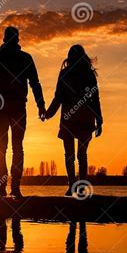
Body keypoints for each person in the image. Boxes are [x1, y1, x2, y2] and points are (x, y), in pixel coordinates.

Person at [0, 26, 46, 198]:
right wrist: (41, 105)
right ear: (17, 40)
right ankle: (13, 187)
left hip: (4, 108)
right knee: (16, 147)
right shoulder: (24, 58)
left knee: (2, 147)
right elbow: (35, 84)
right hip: (14, 108)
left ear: (4, 39)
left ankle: (4, 187)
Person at [45, 45, 103, 196]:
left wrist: (48, 113)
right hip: (85, 118)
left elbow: (58, 97)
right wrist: (99, 119)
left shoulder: (65, 73)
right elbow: (95, 98)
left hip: (69, 118)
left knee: (69, 154)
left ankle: (72, 186)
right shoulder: (88, 74)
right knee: (81, 154)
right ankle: (81, 187)